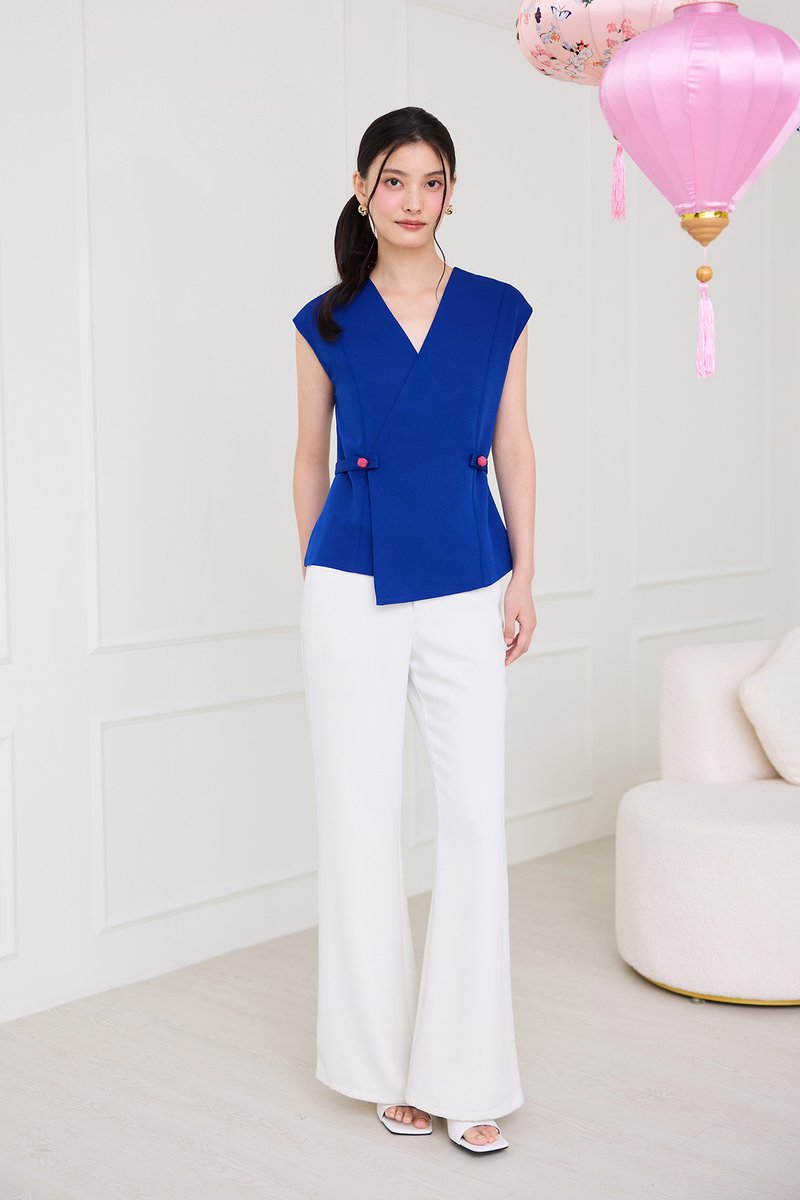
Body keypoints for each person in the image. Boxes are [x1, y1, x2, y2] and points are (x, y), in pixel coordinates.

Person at [292, 106, 537, 1155]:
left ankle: (466, 1072)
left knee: (474, 819)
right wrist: (319, 568)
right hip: (349, 582)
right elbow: (307, 455)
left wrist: (525, 577)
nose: (410, 199)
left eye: (429, 181)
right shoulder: (326, 319)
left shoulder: (496, 310)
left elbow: (516, 447)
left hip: (468, 580)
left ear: (450, 193)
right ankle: (381, 1066)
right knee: (359, 816)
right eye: (392, 180)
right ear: (362, 190)